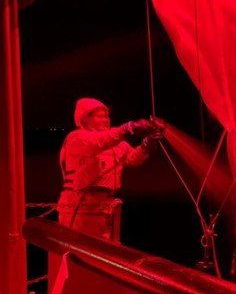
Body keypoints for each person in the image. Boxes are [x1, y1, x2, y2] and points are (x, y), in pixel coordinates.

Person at [57, 97, 163, 240]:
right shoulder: (77, 138)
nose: (105, 120)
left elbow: (131, 159)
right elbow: (98, 142)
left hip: (104, 209)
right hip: (79, 209)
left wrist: (146, 145)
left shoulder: (115, 142)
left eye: (106, 116)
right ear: (85, 118)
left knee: (101, 253)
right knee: (82, 252)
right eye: (100, 116)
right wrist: (128, 127)